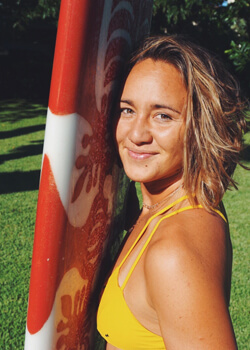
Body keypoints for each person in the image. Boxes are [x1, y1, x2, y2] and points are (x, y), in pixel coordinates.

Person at [97, 35, 247, 349]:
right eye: (127, 110)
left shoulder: (173, 252)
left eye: (163, 115)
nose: (136, 134)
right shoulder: (163, 209)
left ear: (201, 127)